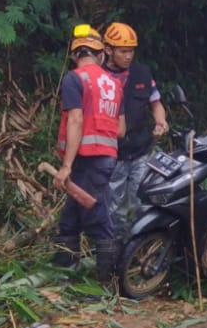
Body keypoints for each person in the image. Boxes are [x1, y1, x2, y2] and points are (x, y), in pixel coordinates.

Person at [52, 25, 124, 281]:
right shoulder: (114, 84)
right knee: (70, 219)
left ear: (75, 55)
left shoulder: (75, 78)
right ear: (100, 54)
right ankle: (63, 277)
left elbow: (76, 121)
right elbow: (120, 128)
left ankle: (107, 283)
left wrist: (66, 166)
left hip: (85, 159)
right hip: (103, 157)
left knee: (96, 217)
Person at [102, 21, 169, 238]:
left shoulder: (142, 73)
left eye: (131, 51)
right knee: (114, 205)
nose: (128, 56)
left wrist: (160, 121)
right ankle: (115, 245)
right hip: (113, 153)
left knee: (142, 200)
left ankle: (141, 243)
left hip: (141, 149)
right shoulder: (98, 76)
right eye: (123, 51)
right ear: (108, 50)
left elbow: (155, 102)